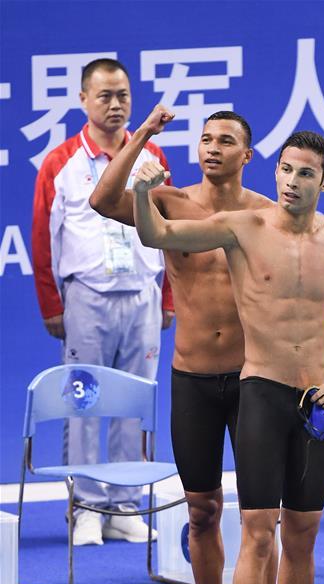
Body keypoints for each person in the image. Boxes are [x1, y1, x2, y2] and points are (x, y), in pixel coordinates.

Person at [132, 130, 324, 584]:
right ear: (275, 171)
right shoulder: (242, 227)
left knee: (303, 535)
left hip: (318, 401)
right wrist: (143, 196)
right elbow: (155, 236)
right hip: (262, 394)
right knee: (258, 531)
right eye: (286, 170)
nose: (292, 181)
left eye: (306, 173)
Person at [90, 104, 276, 584]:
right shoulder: (169, 202)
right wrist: (143, 133)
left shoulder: (266, 213)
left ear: (247, 154)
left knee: (264, 521)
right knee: (202, 512)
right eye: (206, 139)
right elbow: (102, 200)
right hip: (193, 379)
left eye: (224, 140)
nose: (212, 148)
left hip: (252, 381)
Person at [32, 58, 173, 547]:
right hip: (87, 297)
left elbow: (170, 227)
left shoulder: (150, 153)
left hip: (143, 293)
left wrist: (169, 292)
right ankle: (87, 506)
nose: (115, 105)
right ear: (83, 100)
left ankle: (126, 504)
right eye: (104, 96)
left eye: (123, 96)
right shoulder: (60, 162)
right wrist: (52, 303)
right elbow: (43, 236)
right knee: (84, 401)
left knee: (136, 401)